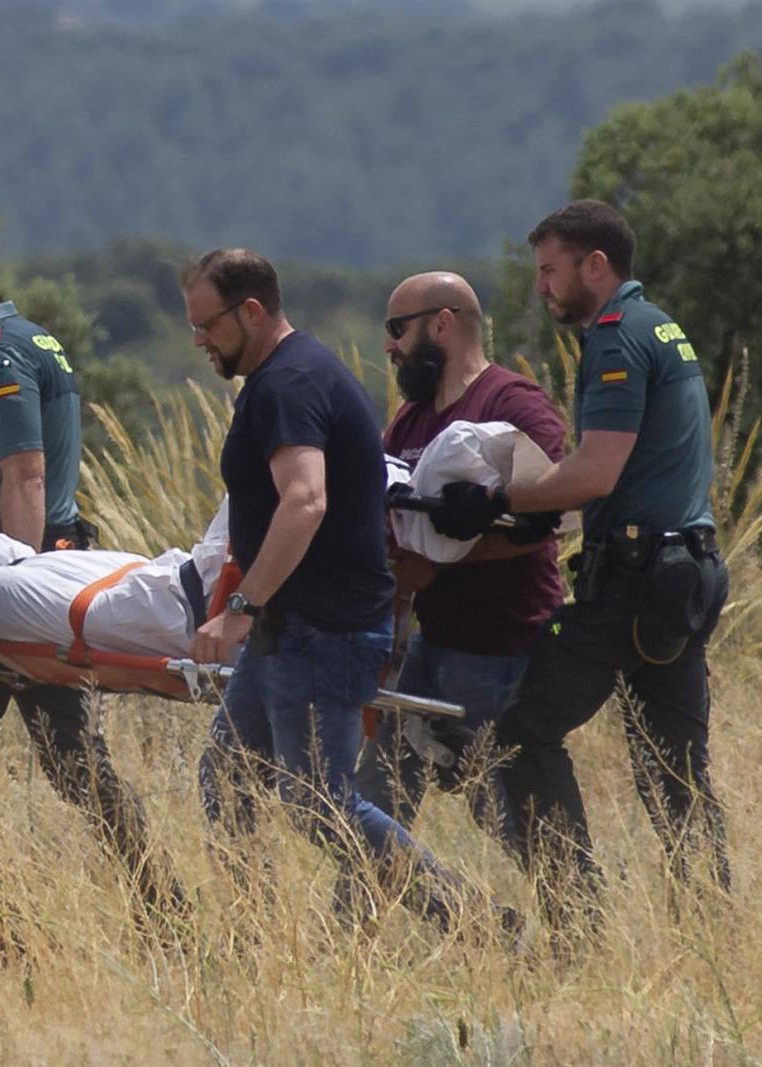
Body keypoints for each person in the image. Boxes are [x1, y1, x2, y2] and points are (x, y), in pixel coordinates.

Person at [430, 200, 731, 926]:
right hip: (685, 573)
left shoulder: (614, 336)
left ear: (595, 266)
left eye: (550, 271)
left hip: (632, 582)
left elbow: (596, 470)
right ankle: (712, 928)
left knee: (520, 734)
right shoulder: (663, 324)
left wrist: (498, 495)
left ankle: (577, 916)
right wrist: (528, 499)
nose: (542, 288)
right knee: (674, 768)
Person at [186, 248, 498, 932]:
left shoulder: (288, 385)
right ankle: (252, 936)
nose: (199, 340)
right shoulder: (291, 374)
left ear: (252, 310)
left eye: (207, 325)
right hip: (291, 627)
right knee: (229, 777)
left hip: (320, 631)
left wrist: (240, 609)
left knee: (316, 801)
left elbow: (305, 501)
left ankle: (472, 918)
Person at [0, 223, 187, 923]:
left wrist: (2, 601)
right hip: (45, 579)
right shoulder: (32, 338)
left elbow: (25, 474)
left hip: (17, 596)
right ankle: (165, 910)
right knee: (75, 766)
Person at [355, 272, 567, 834]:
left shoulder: (510, 401)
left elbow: (554, 513)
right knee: (369, 806)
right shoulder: (410, 420)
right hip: (431, 646)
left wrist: (441, 561)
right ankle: (380, 917)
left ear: (442, 324)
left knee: (513, 820)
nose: (389, 347)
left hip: (503, 649)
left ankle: (574, 918)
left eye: (397, 329)